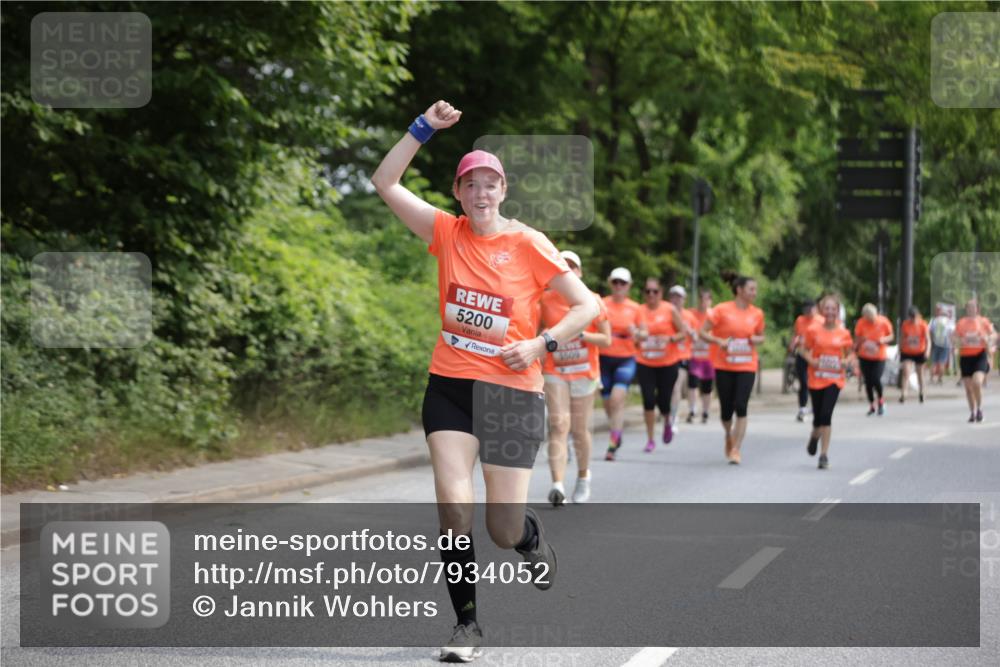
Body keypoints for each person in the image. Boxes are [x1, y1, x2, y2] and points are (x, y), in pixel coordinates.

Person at [371, 100, 599, 662]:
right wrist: (423, 128)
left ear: (503, 191)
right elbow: (384, 181)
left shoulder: (529, 243)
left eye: (489, 184)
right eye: (470, 184)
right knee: (453, 504)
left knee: (500, 527)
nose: (480, 193)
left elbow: (585, 305)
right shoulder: (445, 233)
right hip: (449, 386)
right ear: (458, 192)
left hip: (512, 395)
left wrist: (540, 343)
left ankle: (528, 539)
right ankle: (466, 626)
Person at [539, 250, 611, 505]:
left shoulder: (592, 300)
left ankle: (583, 477)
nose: (567, 271)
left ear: (579, 273)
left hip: (584, 371)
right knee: (558, 425)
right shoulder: (544, 300)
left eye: (572, 267)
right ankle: (557, 485)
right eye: (563, 266)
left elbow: (607, 338)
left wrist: (582, 336)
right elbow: (535, 332)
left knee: (580, 430)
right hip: (555, 369)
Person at [699, 271, 766, 464]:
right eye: (751, 289)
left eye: (755, 289)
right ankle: (728, 434)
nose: (754, 292)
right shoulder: (721, 310)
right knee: (726, 410)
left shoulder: (757, 313)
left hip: (747, 364)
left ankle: (736, 449)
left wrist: (756, 339)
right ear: (739, 290)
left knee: (741, 406)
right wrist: (719, 341)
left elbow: (762, 336)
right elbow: (702, 332)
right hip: (724, 365)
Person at [799, 294, 857, 470]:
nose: (830, 312)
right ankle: (814, 437)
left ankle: (823, 455)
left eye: (834, 309)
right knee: (818, 418)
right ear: (821, 310)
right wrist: (812, 360)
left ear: (838, 311)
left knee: (826, 415)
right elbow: (802, 349)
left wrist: (847, 361)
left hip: (834, 379)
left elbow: (851, 353)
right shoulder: (813, 330)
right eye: (827, 308)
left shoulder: (844, 333)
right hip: (816, 379)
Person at [636, 278, 687, 452]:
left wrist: (670, 338)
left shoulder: (669, 309)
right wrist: (638, 336)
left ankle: (667, 419)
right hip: (645, 362)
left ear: (661, 293)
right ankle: (650, 439)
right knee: (648, 400)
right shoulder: (639, 310)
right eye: (648, 291)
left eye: (655, 291)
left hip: (668, 362)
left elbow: (683, 332)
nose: (651, 294)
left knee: (664, 400)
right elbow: (634, 332)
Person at [601, 267, 645, 461]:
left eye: (623, 283)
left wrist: (637, 332)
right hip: (603, 358)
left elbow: (645, 333)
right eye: (616, 282)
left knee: (617, 399)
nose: (619, 286)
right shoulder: (601, 304)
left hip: (626, 358)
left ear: (629, 286)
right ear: (611, 283)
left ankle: (613, 442)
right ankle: (616, 431)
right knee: (607, 402)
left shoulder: (635, 308)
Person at [953, 300, 997, 423]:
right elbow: (954, 337)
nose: (971, 309)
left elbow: (994, 335)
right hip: (966, 357)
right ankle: (972, 412)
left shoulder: (983, 321)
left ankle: (980, 409)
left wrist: (987, 337)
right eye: (968, 307)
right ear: (966, 309)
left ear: (977, 309)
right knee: (968, 388)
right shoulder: (961, 323)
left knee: (977, 383)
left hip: (979, 355)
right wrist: (958, 341)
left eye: (973, 307)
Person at [854, 303, 894, 416]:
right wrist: (861, 341)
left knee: (876, 378)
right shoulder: (861, 323)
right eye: (868, 319)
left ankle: (881, 400)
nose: (870, 321)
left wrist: (883, 339)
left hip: (879, 356)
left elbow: (891, 336)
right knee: (868, 381)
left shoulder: (883, 321)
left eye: (871, 318)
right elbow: (857, 337)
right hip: (865, 355)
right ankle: (872, 404)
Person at [667, 285, 696, 431]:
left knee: (675, 386)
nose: (676, 300)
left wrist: (689, 331)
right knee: (667, 388)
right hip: (664, 356)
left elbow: (696, 337)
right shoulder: (665, 313)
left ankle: (673, 417)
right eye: (673, 296)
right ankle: (667, 412)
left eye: (679, 297)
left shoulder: (689, 316)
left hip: (683, 355)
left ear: (684, 299)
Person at [686, 287, 715, 424]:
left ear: (710, 301)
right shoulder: (692, 314)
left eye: (707, 299)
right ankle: (692, 410)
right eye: (701, 299)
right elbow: (687, 328)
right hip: (695, 356)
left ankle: (706, 412)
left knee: (707, 387)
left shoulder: (714, 316)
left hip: (709, 357)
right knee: (692, 384)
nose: (703, 302)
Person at [790, 300, 823, 421]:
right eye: (806, 310)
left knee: (815, 383)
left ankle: (816, 406)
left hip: (816, 356)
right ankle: (802, 408)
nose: (808, 312)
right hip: (802, 354)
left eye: (811, 309)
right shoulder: (800, 320)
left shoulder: (821, 321)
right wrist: (794, 343)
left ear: (816, 309)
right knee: (803, 382)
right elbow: (797, 334)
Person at [899, 305, 930, 403]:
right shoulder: (906, 324)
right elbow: (902, 337)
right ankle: (904, 393)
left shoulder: (922, 324)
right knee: (906, 372)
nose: (913, 319)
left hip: (919, 351)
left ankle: (921, 392)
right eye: (911, 317)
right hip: (907, 351)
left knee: (919, 373)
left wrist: (927, 351)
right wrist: (900, 348)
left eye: (914, 317)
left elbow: (928, 340)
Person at [929, 304, 955, 384]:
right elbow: (951, 333)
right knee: (942, 362)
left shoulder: (934, 320)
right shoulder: (948, 321)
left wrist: (931, 341)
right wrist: (952, 344)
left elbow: (930, 331)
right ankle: (940, 379)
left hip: (935, 343)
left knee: (934, 362)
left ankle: (932, 378)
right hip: (945, 344)